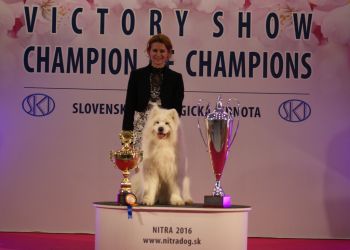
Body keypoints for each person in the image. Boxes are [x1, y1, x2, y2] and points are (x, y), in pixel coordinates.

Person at [122, 33, 184, 149]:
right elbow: (129, 107)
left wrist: (172, 135)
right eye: (155, 50)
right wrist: (127, 138)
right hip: (140, 130)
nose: (158, 54)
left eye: (162, 51)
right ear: (149, 52)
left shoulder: (176, 78)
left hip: (163, 131)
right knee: (140, 166)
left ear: (168, 54)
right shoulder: (136, 75)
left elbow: (176, 112)